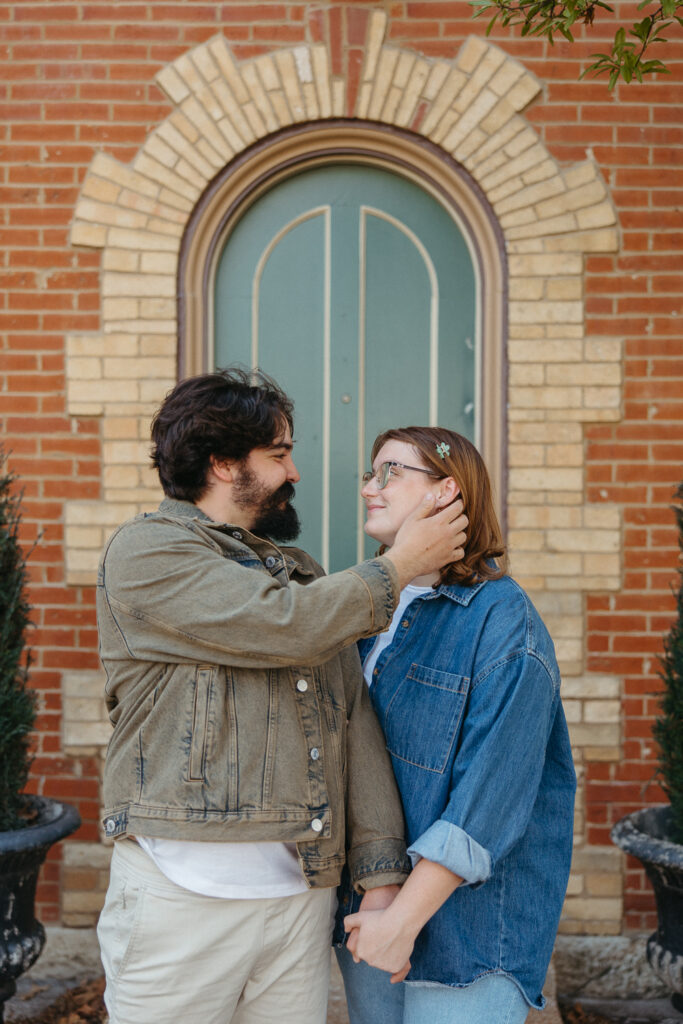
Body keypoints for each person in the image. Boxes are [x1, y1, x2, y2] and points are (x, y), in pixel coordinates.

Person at [95, 370, 468, 1024]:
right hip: (182, 899)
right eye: (277, 454)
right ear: (221, 464)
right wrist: (401, 563)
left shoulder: (302, 577)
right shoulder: (147, 552)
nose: (295, 471)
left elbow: (353, 725)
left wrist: (379, 876)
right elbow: (282, 626)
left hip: (299, 897)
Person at [335, 426, 577, 1024]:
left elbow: (486, 805)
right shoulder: (370, 610)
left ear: (447, 492)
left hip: (468, 938)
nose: (371, 486)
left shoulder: (504, 625)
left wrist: (402, 922)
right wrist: (381, 910)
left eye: (392, 471)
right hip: (373, 910)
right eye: (371, 472)